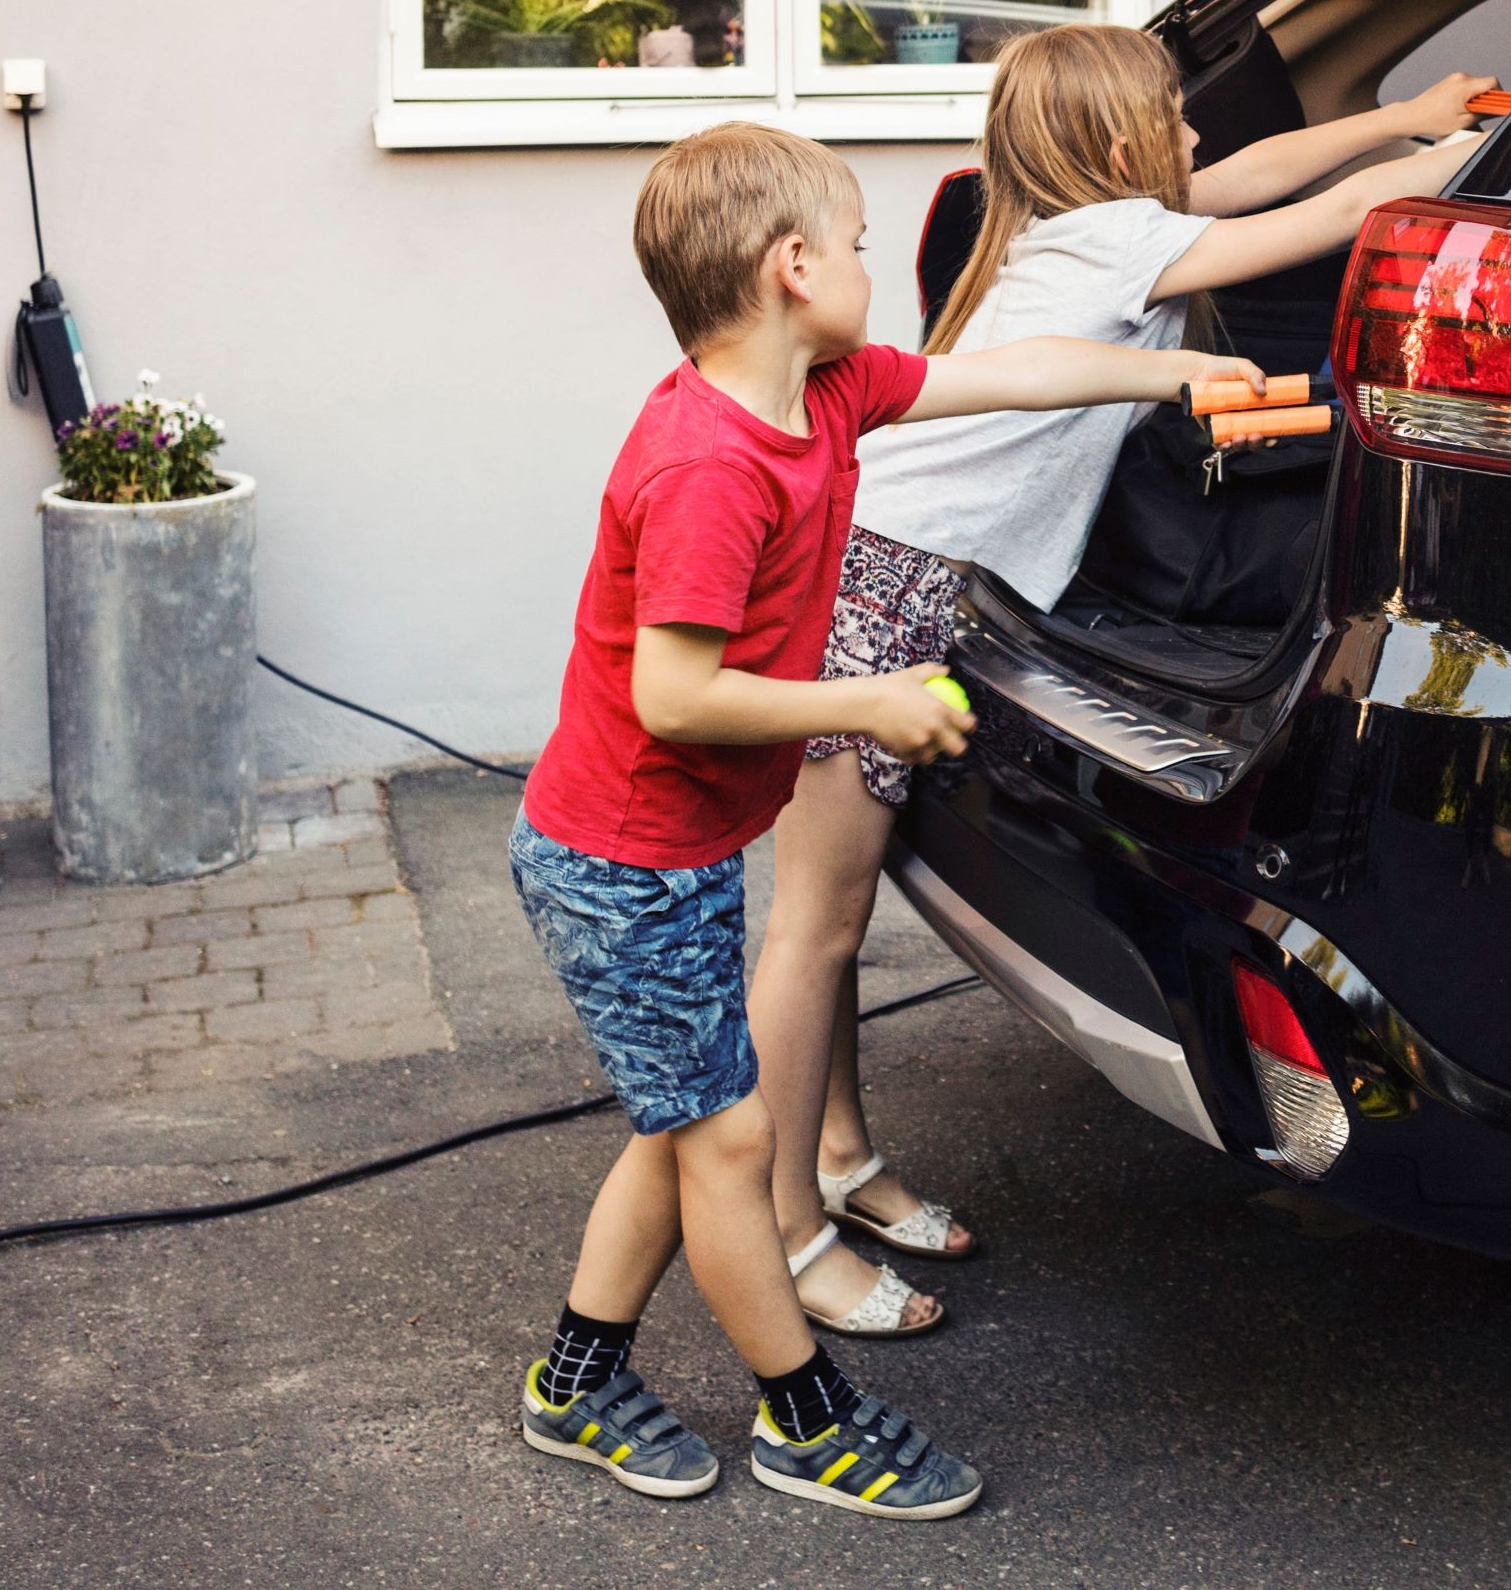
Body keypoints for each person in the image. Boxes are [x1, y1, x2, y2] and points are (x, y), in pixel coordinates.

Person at [509, 120, 1258, 1515]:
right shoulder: (711, 466)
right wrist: (869, 702)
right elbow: (674, 695)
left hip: (670, 853)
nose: (872, 265)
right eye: (855, 245)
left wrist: (1174, 372)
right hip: (616, 863)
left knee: (683, 1128)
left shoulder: (831, 391)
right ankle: (805, 1420)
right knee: (730, 1143)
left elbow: (1015, 373)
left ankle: (575, 1381)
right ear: (793, 267)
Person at [752, 25, 1487, 1337]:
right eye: (1174, 116)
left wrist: (1402, 112)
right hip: (870, 585)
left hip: (885, 573)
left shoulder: (1072, 223)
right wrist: (1478, 153)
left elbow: (1256, 174)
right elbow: (1328, 214)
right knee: (814, 929)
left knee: (834, 922)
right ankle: (784, 1232)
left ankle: (840, 1158)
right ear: (1114, 142)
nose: (1196, 135)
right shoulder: (1114, 243)